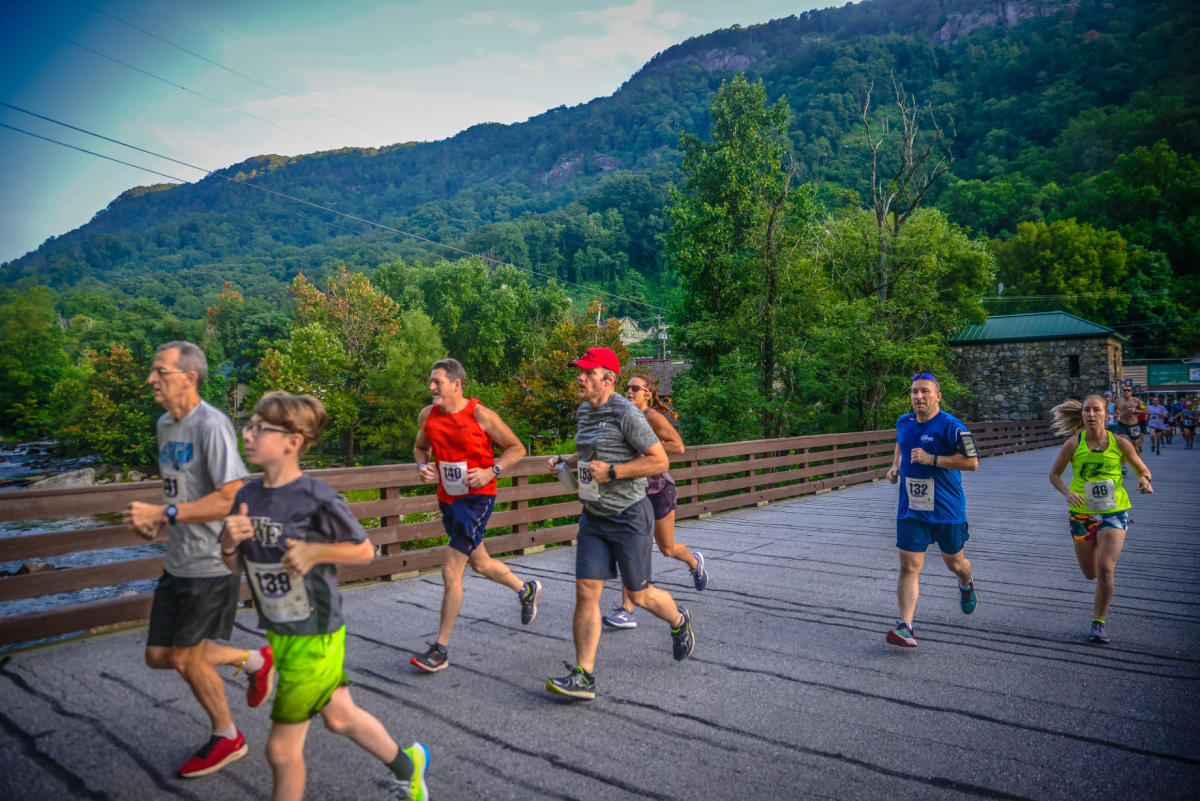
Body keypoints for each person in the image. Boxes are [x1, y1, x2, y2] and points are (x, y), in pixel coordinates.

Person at [220, 392, 429, 801]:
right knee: (340, 717)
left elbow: (366, 550)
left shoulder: (316, 497)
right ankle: (410, 766)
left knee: (282, 751)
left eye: (259, 428)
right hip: (279, 629)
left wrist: (316, 551)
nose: (247, 435)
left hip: (314, 634)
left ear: (292, 441)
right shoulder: (246, 496)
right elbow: (233, 566)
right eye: (248, 426)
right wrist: (228, 544)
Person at [122, 341, 270, 778]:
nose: (151, 379)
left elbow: (231, 494)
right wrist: (161, 520)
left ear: (189, 377)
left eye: (159, 371)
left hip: (212, 562)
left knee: (188, 658)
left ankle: (228, 738)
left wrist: (164, 513)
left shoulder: (213, 425)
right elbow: (183, 492)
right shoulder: (165, 425)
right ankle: (255, 660)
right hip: (178, 558)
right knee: (157, 655)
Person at [545, 347, 695, 700]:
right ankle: (584, 675)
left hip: (629, 515)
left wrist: (614, 472)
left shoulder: (627, 414)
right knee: (586, 592)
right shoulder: (584, 411)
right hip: (594, 516)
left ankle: (679, 621)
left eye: (587, 372)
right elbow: (589, 450)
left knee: (640, 596)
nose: (579, 378)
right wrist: (565, 460)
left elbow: (658, 460)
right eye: (578, 371)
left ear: (608, 379)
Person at [410, 358, 542, 673]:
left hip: (478, 498)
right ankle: (526, 590)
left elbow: (516, 448)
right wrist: (421, 467)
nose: (431, 388)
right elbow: (420, 449)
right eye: (430, 381)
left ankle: (440, 649)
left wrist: (490, 471)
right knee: (480, 563)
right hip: (448, 499)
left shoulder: (481, 415)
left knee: (451, 571)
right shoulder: (427, 416)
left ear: (456, 385)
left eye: (437, 382)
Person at [602, 375, 707, 629]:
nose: (629, 391)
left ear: (647, 394)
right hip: (634, 493)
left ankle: (694, 562)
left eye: (635, 388)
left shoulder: (652, 417)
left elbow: (678, 446)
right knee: (629, 548)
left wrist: (650, 445)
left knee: (667, 548)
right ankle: (627, 611)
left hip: (659, 490)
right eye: (627, 387)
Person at [884, 373, 979, 648]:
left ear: (938, 396)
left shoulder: (953, 426)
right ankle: (906, 626)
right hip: (912, 508)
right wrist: (895, 467)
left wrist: (933, 459)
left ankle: (966, 581)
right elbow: (901, 442)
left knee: (955, 563)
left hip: (947, 510)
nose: (919, 396)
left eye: (925, 391)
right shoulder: (904, 422)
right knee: (909, 566)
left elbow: (972, 463)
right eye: (915, 392)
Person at [1048, 395, 1153, 644]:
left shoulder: (1121, 443)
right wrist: (1068, 492)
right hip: (1082, 512)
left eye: (1097, 410)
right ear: (1082, 415)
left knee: (1106, 569)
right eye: (1087, 410)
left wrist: (1144, 480)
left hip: (1114, 510)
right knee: (1090, 573)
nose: (1091, 415)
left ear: (1107, 415)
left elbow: (1142, 468)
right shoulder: (1074, 444)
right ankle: (1100, 593)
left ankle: (1099, 621)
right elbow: (1054, 475)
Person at [1114, 387, 1142, 452]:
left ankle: (1136, 460)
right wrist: (1116, 415)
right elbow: (1115, 409)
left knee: (1135, 445)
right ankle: (1123, 460)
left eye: (1128, 390)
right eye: (1124, 390)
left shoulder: (1137, 401)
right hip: (1122, 425)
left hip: (1133, 425)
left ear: (1131, 392)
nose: (1126, 391)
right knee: (1122, 442)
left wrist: (1135, 411)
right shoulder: (1118, 401)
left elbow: (1147, 411)